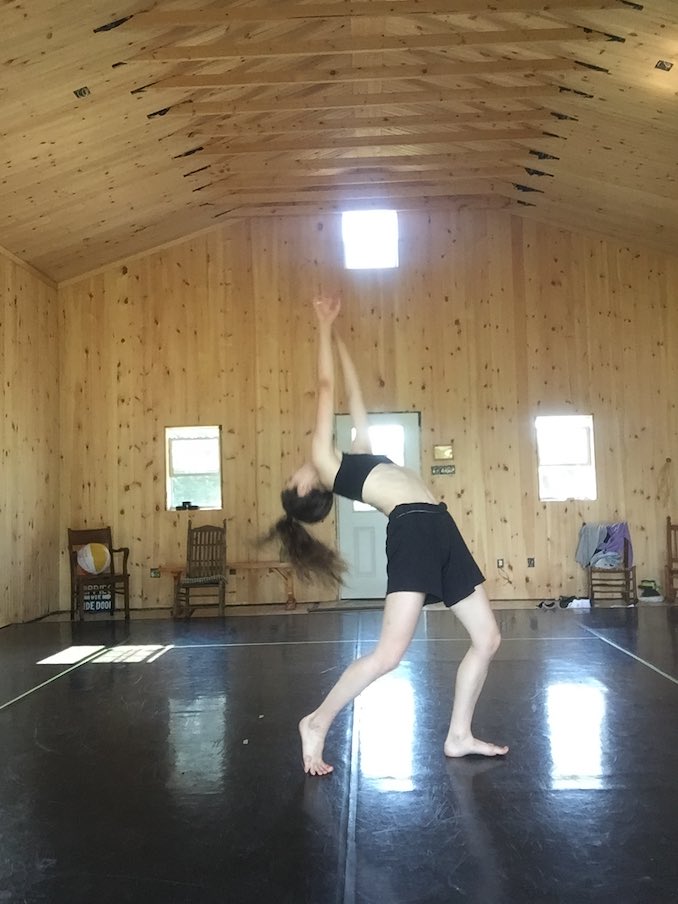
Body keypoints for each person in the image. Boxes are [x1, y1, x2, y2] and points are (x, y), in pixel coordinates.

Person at [266, 296, 508, 775]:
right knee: (389, 655)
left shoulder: (354, 458)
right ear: (303, 487)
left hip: (439, 524)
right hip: (414, 528)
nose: (292, 472)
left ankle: (459, 735)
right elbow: (325, 388)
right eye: (290, 479)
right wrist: (319, 327)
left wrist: (337, 335)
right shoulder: (325, 461)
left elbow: (353, 399)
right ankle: (315, 722)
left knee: (488, 637)